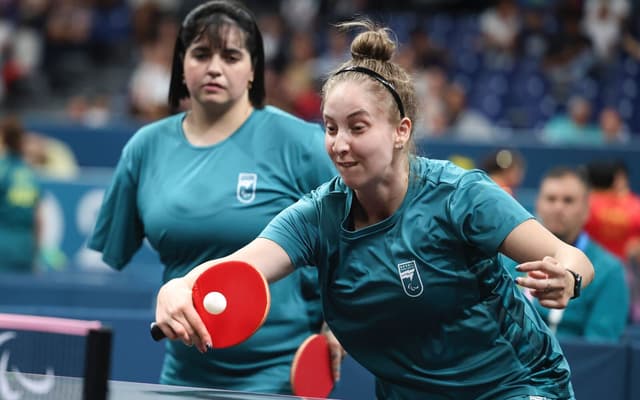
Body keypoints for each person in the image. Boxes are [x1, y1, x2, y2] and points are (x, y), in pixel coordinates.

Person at [154, 20, 595, 399]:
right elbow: (239, 268)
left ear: (401, 131)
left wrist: (569, 278)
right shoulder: (318, 217)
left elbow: (572, 257)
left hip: (515, 386)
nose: (339, 144)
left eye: (357, 127)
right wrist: (177, 288)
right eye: (329, 128)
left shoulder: (460, 196)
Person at [88, 0, 337, 394]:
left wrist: (336, 323)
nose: (215, 67)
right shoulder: (144, 149)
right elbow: (114, 254)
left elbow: (358, 239)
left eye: (232, 55)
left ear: (253, 69)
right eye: (201, 54)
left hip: (281, 374)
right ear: (181, 66)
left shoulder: (302, 144)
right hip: (183, 377)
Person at [504, 166, 629, 342]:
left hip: (570, 363)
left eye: (568, 201)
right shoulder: (507, 255)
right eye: (551, 199)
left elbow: (600, 350)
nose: (558, 207)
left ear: (586, 210)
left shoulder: (610, 271)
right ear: (538, 204)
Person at [0, 115, 42, 273]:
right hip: (25, 250)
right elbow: (38, 219)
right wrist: (36, 254)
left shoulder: (1, 171)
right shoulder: (28, 172)